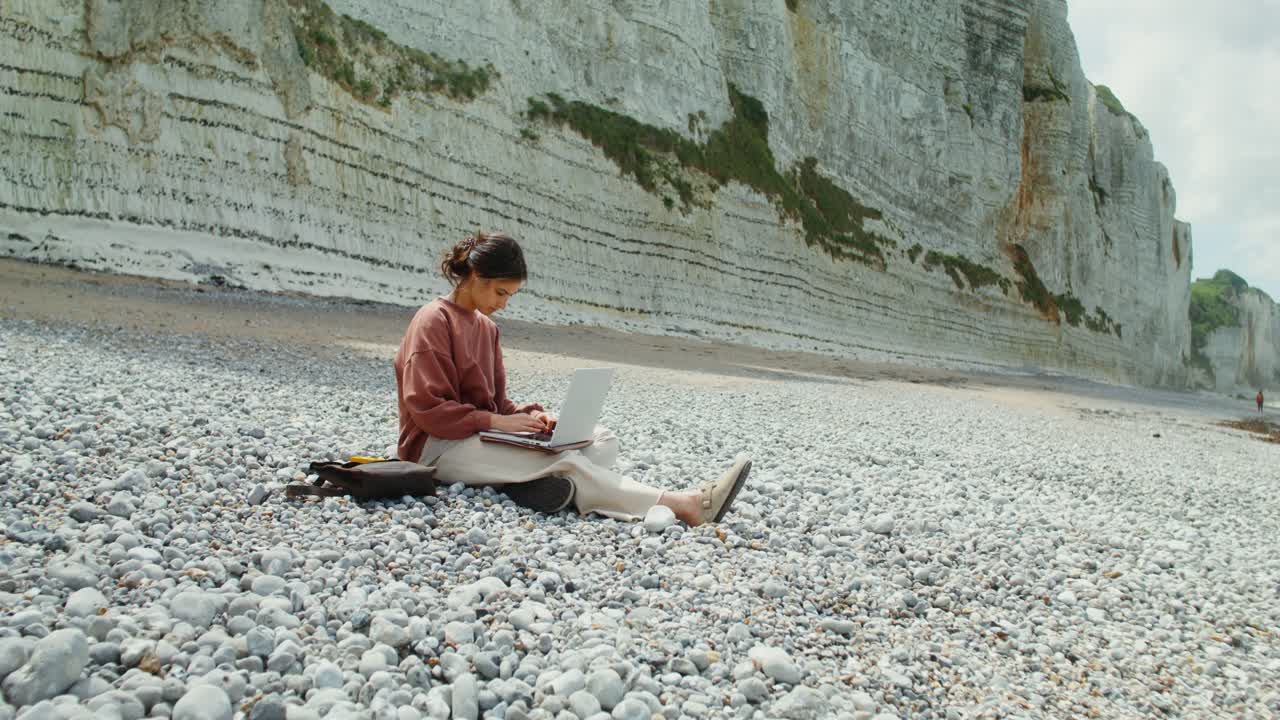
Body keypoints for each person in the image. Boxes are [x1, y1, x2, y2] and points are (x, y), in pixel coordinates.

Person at [394, 231, 751, 524]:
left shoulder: (487, 329)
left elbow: (498, 403)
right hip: (435, 449)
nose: (503, 304)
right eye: (500, 292)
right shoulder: (433, 320)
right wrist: (495, 422)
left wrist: (534, 418)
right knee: (569, 462)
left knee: (602, 441)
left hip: (478, 437)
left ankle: (533, 485)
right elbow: (428, 410)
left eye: (510, 296)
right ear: (474, 276)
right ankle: (684, 505)